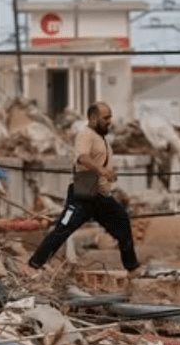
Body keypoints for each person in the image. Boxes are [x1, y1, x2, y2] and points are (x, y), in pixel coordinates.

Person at [28, 102, 141, 278]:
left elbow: (97, 161)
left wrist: (108, 174)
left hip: (100, 197)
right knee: (62, 229)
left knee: (122, 222)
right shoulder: (85, 135)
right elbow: (82, 157)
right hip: (82, 197)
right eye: (106, 118)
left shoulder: (101, 138)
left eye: (110, 117)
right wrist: (101, 170)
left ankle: (132, 268)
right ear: (93, 118)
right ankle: (35, 265)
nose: (109, 121)